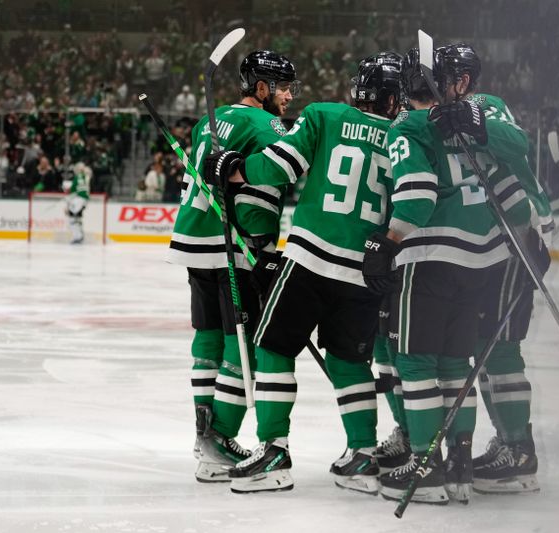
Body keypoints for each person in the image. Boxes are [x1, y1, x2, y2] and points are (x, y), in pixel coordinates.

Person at [209, 53, 403, 495]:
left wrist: (235, 171)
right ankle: (363, 456)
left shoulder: (324, 115)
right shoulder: (402, 136)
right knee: (350, 360)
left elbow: (278, 165)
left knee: (272, 347)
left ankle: (274, 450)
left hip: (310, 259)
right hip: (364, 269)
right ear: (394, 100)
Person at [364, 47, 535, 505]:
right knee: (459, 362)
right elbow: (511, 178)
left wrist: (388, 243)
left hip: (430, 256)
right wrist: (530, 230)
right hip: (485, 259)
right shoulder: (478, 116)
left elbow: (417, 196)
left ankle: (425, 464)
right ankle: (459, 465)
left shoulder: (411, 125)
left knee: (418, 363)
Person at [165, 50, 298, 483]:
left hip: (193, 236)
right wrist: (261, 246)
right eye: (285, 87)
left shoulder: (211, 120)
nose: (290, 96)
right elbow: (271, 183)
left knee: (208, 338)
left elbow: (197, 178)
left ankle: (206, 440)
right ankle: (220, 437)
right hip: (233, 246)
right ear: (262, 88)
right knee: (241, 347)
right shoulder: (265, 124)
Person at [427, 43, 553, 495]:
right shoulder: (434, 114)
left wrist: (471, 121)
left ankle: (518, 449)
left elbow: (516, 146)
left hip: (514, 241)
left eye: (440, 78)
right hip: (489, 246)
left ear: (461, 80)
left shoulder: (486, 105)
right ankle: (511, 445)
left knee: (497, 348)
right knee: (481, 345)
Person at [64, 162, 91, 244]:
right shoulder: (86, 176)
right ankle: (80, 235)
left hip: (78, 200)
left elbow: (72, 190)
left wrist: (67, 192)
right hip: (85, 200)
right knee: (78, 217)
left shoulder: (77, 177)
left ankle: (77, 236)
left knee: (71, 217)